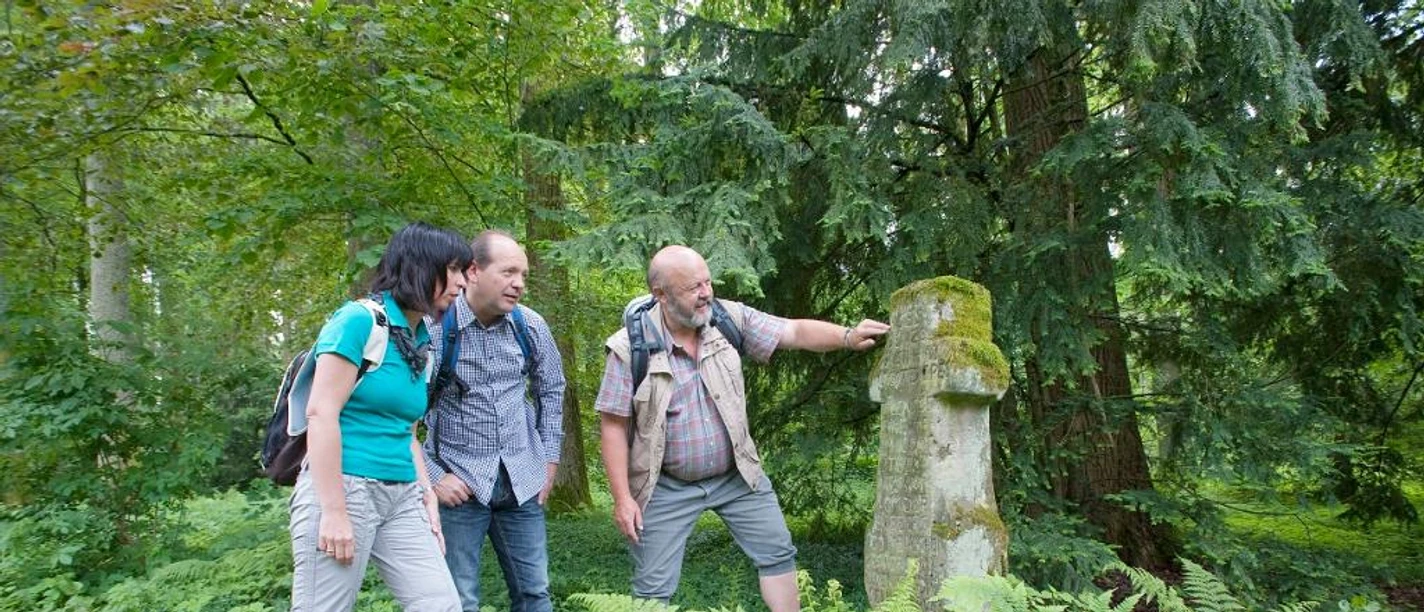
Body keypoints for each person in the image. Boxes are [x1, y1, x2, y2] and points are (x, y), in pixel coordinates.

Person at [595, 245, 891, 611]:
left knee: (778, 554)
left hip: (737, 474)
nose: (706, 293)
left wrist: (847, 335)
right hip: (665, 485)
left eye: (707, 282)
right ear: (661, 295)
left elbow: (793, 331)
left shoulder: (727, 318)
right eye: (693, 287)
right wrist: (623, 499)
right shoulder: (630, 348)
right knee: (652, 589)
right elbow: (613, 426)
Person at [289, 222, 469, 612]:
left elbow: (407, 431)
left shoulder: (422, 341)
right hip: (344, 487)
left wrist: (427, 496)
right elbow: (321, 413)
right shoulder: (358, 321)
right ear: (421, 266)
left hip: (402, 495)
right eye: (454, 269)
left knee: (440, 605)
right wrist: (334, 512)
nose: (461, 282)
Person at [422, 230, 567, 612]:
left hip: (522, 482)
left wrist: (549, 461)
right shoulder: (434, 330)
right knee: (458, 600)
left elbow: (552, 389)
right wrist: (434, 478)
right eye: (508, 272)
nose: (519, 284)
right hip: (459, 485)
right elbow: (400, 416)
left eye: (523, 275)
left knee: (535, 594)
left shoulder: (530, 326)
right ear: (473, 271)